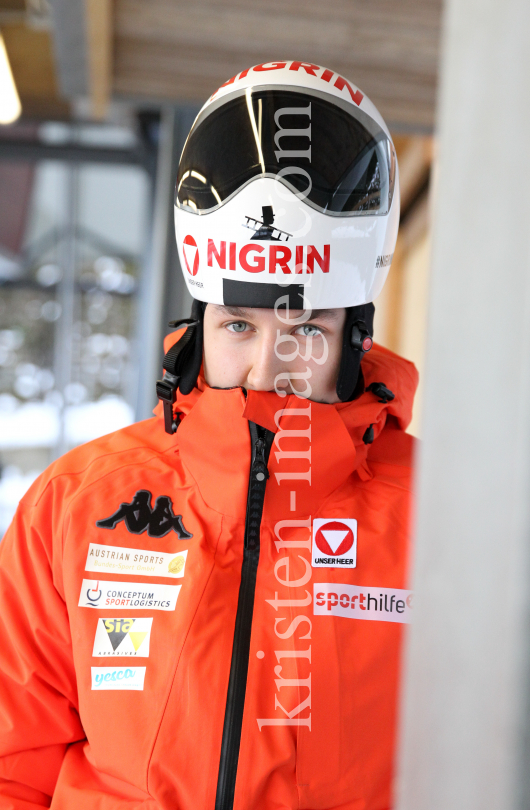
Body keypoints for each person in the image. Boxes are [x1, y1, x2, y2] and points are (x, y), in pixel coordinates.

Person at [0, 61, 418, 810]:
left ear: (354, 335)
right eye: (237, 325)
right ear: (200, 324)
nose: (268, 367)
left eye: (306, 328)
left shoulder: (443, 518)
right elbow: (12, 759)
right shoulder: (77, 504)